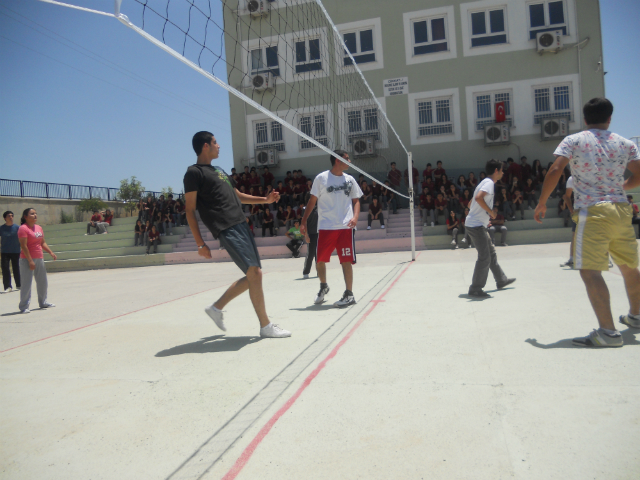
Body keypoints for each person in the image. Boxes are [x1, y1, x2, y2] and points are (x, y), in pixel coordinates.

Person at [534, 97, 640, 347]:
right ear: (609, 118)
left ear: (584, 118)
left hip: (593, 212)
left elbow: (555, 170)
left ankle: (608, 333)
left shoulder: (574, 140)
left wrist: (541, 202)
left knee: (590, 271)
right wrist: (622, 187)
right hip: (621, 210)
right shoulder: (625, 144)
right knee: (628, 266)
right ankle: (636, 317)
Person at [184, 131, 290, 338]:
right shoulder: (193, 173)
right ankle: (265, 326)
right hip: (226, 226)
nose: (219, 146)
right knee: (254, 272)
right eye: (215, 142)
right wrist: (200, 244)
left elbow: (238, 196)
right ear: (205, 146)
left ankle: (216, 308)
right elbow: (190, 210)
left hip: (241, 223)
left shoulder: (220, 171)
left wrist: (265, 200)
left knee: (255, 274)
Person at [301, 149, 363, 308]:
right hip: (326, 227)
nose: (349, 161)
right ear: (337, 160)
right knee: (320, 260)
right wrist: (303, 222)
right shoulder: (321, 179)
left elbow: (356, 201)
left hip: (345, 227)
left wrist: (355, 217)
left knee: (346, 260)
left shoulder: (350, 180)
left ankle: (349, 294)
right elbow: (312, 202)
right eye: (347, 159)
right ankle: (323, 286)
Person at [464, 159, 515, 298]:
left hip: (477, 224)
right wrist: (491, 212)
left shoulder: (483, 182)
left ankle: (501, 280)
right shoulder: (489, 183)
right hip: (476, 226)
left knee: (491, 253)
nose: (503, 173)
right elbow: (479, 198)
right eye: (502, 170)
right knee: (485, 257)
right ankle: (475, 288)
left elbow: (471, 203)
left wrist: (481, 214)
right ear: (496, 171)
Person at [17, 208, 56, 313]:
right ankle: (24, 306)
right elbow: (24, 246)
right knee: (26, 283)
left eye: (35, 213)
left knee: (42, 281)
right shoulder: (23, 228)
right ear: (25, 217)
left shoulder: (39, 228)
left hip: (39, 257)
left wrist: (50, 252)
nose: (35, 215)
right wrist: (30, 261)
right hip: (26, 259)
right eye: (32, 214)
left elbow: (42, 242)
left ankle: (43, 302)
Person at [1, 211, 21, 293]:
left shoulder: (17, 227)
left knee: (16, 268)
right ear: (5, 218)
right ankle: (8, 286)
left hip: (16, 251)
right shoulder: (1, 228)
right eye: (9, 216)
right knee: (5, 269)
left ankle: (19, 285)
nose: (11, 217)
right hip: (4, 251)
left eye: (12, 216)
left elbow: (22, 238)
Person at [302, 205, 318, 279]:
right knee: (310, 254)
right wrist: (306, 235)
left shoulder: (319, 208)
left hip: (319, 233)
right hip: (310, 234)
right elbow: (304, 222)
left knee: (319, 254)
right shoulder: (305, 209)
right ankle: (306, 272)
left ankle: (319, 271)